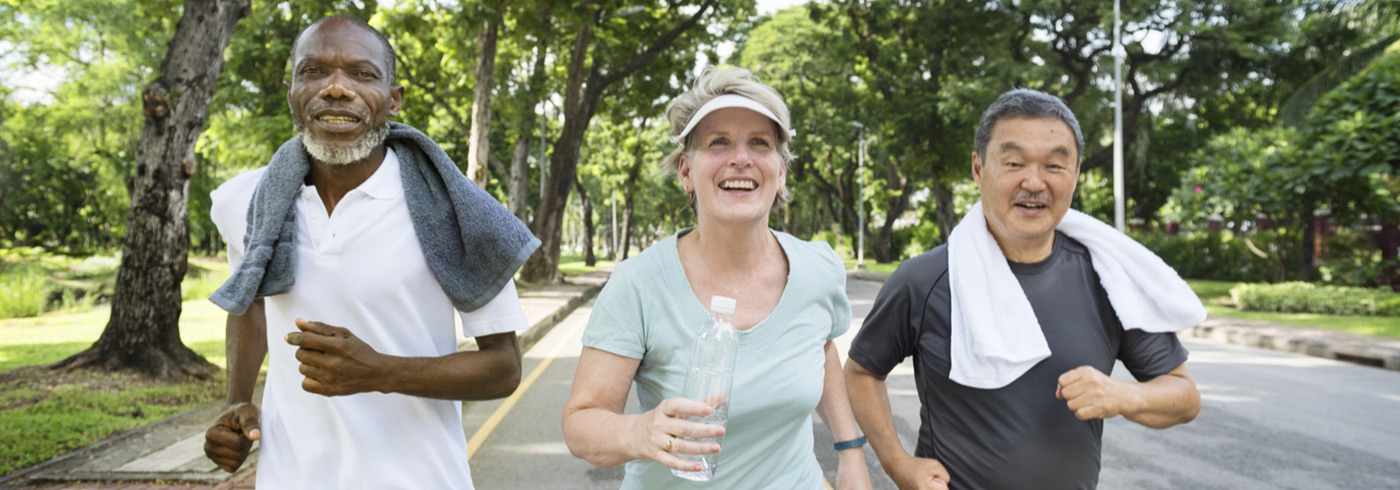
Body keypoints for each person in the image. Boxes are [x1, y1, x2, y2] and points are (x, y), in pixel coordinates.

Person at [200, 15, 539, 490]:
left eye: (362, 74)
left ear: (393, 99)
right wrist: (236, 401)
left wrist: (381, 371)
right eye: (314, 71)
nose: (336, 88)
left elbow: (503, 368)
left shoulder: (454, 212)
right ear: (291, 89)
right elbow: (250, 302)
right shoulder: (245, 201)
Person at [844, 88, 1202, 490]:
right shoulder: (925, 280)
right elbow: (861, 372)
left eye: (1054, 165)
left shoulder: (1107, 277)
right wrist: (898, 464)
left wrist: (1122, 396)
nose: (1034, 182)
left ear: (1076, 174)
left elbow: (1184, 397)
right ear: (979, 169)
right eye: (1014, 162)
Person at [560, 66, 873, 489]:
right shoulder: (639, 284)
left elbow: (821, 348)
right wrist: (640, 431)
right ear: (686, 173)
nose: (740, 158)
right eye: (718, 142)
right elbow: (581, 423)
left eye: (759, 143)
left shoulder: (818, 269)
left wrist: (850, 450)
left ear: (780, 174)